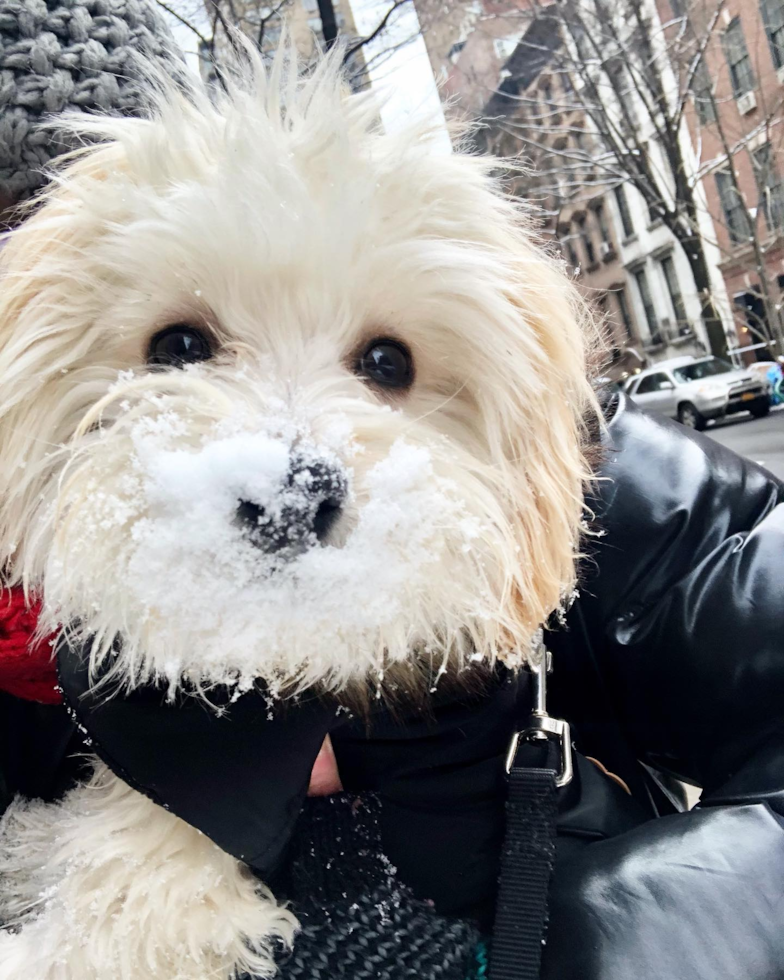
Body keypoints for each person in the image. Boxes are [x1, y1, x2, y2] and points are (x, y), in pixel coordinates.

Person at [1, 5, 783, 979]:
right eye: (182, 350)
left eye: (383, 362)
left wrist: (596, 936)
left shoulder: (595, 481)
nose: (280, 465)